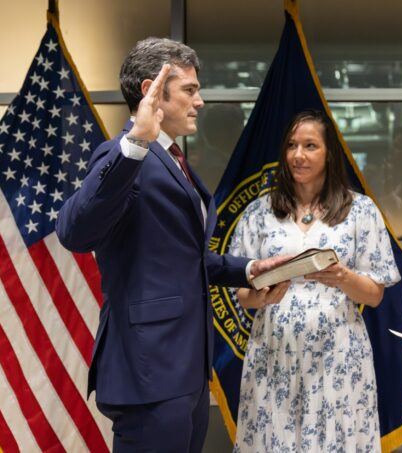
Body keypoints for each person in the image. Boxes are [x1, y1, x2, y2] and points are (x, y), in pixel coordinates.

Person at [56, 38, 286, 452]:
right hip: (150, 373)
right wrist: (134, 144)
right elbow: (75, 231)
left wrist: (249, 270)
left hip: (186, 370)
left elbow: (180, 258)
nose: (199, 102)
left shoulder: (173, 161)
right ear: (152, 90)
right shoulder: (123, 155)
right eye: (190, 90)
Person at [229, 110, 400, 452]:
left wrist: (342, 277)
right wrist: (262, 296)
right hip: (273, 353)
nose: (298, 155)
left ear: (329, 153)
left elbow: (375, 295)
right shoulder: (259, 212)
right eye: (291, 145)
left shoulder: (361, 211)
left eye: (310, 146)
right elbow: (241, 294)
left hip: (338, 356)